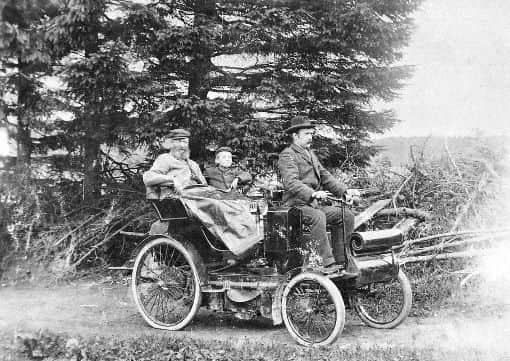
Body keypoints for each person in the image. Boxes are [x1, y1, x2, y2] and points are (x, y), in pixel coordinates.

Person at [278, 116, 356, 274]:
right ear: (295, 136)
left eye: (311, 134)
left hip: (312, 205)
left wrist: (344, 191)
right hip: (295, 207)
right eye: (307, 134)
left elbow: (325, 176)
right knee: (318, 216)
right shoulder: (287, 155)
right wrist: (313, 194)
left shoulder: (310, 154)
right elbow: (291, 183)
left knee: (345, 215)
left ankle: (342, 259)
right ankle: (327, 263)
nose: (310, 137)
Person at [143, 129, 207, 199]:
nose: (182, 145)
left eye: (185, 142)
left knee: (218, 202)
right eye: (179, 142)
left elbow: (205, 186)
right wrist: (173, 179)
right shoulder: (165, 159)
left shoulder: (193, 164)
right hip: (177, 200)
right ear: (171, 144)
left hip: (199, 199)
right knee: (217, 206)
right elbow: (148, 178)